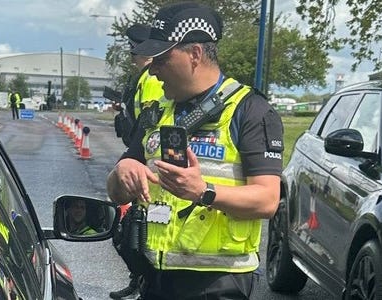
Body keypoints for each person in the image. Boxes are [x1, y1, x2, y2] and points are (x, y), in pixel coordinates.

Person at [106, 3, 284, 299]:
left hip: (217, 284)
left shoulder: (250, 111)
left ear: (195, 54)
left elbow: (267, 201)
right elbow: (116, 192)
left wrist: (204, 191)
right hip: (155, 277)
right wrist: (122, 172)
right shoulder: (156, 112)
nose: (153, 68)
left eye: (161, 58)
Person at [109, 23, 166, 300]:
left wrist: (135, 150)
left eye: (134, 50)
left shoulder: (153, 78)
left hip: (145, 156)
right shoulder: (142, 76)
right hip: (135, 153)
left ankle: (145, 280)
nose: (132, 56)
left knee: (134, 228)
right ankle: (140, 280)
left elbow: (152, 119)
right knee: (132, 229)